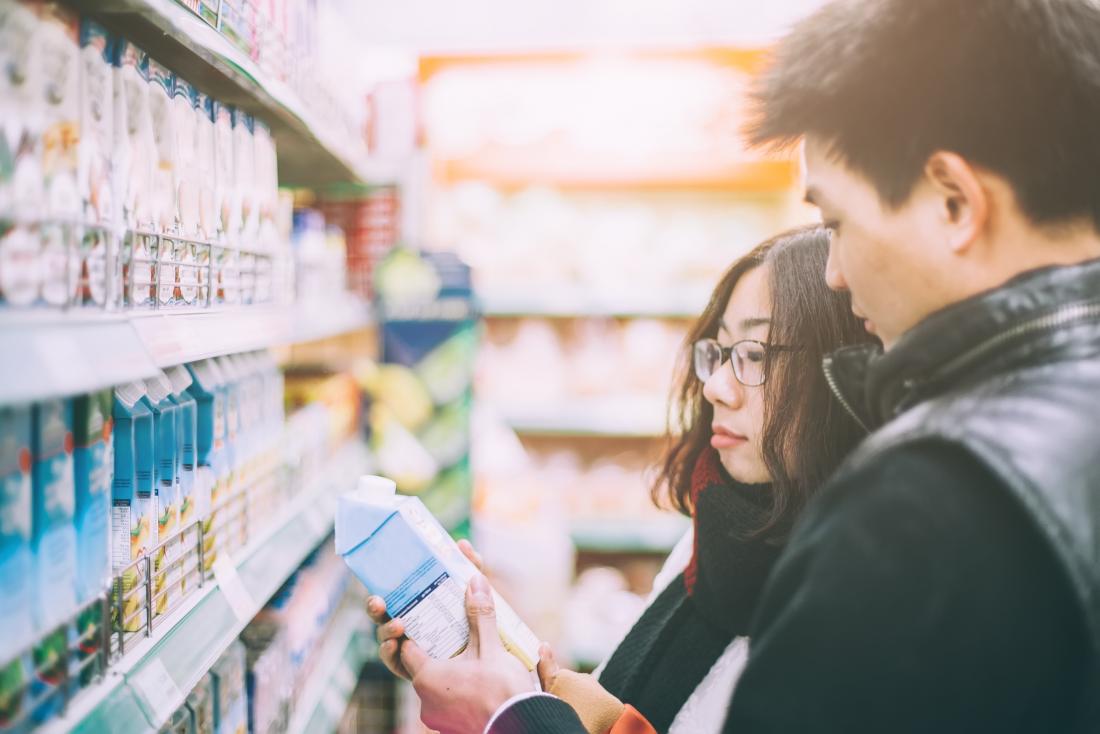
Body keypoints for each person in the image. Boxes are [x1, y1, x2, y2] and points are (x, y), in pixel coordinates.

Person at [382, 0, 1100, 731]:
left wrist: (508, 719)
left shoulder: (925, 504)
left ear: (954, 202)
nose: (838, 277)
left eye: (837, 224)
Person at [368, 226, 875, 734]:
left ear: (840, 371)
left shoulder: (855, 622)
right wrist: (499, 662)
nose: (717, 386)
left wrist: (510, 718)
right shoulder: (720, 536)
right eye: (719, 352)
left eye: (756, 357)